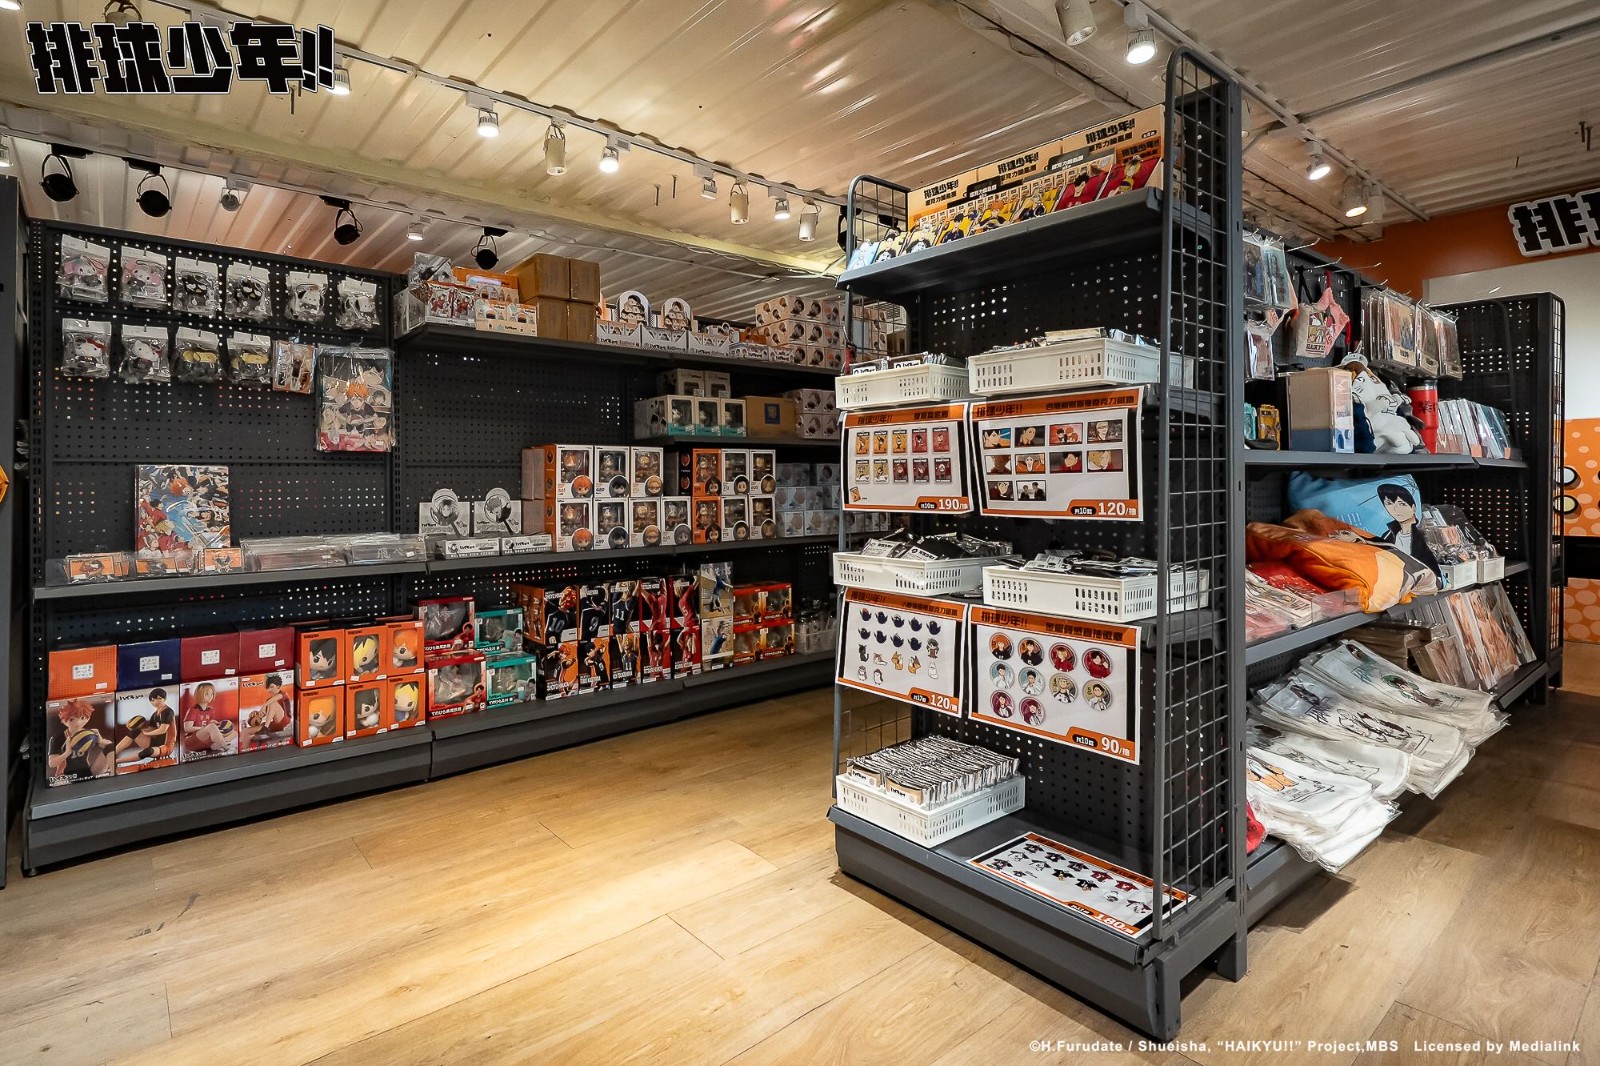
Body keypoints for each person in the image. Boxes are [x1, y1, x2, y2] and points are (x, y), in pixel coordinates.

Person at [1375, 483, 1440, 573]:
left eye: (1402, 504)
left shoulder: (1424, 535)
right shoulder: (1386, 536)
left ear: (1413, 507)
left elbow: (1434, 569)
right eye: (1389, 503)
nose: (1395, 509)